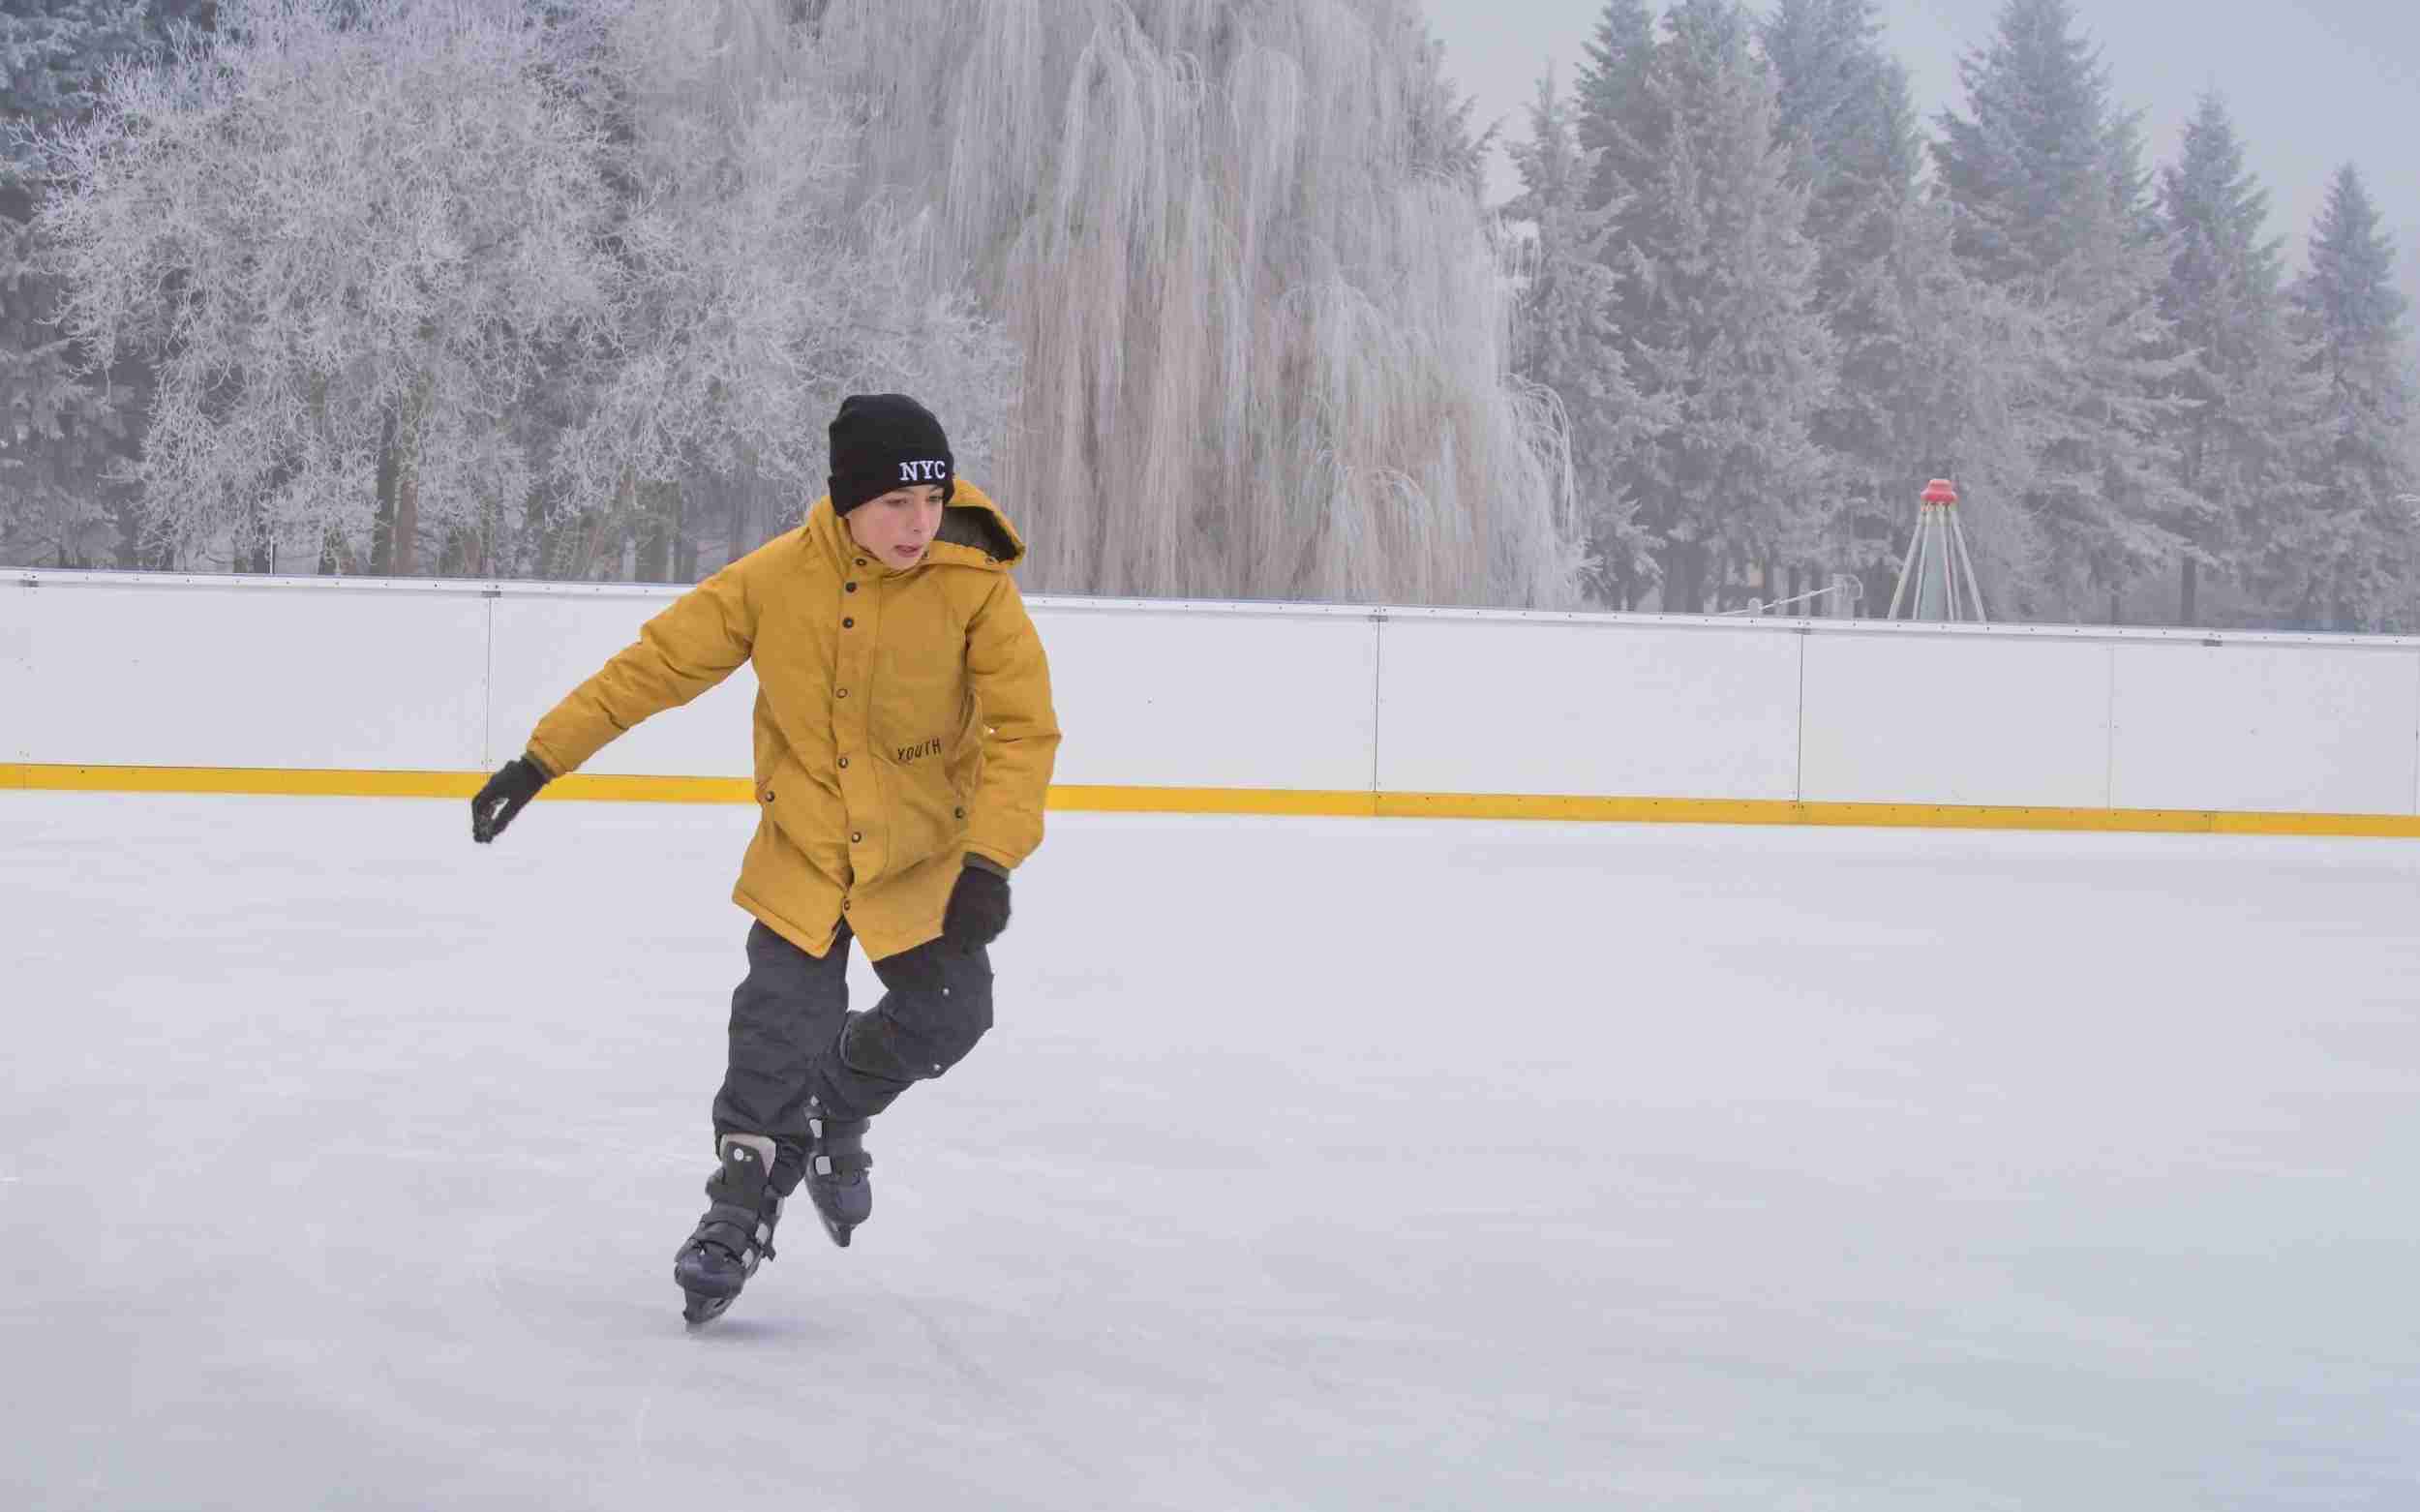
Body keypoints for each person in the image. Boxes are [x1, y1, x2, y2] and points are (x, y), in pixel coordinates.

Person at [468, 394, 1060, 1322]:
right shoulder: (775, 580)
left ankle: (836, 1103)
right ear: (848, 501)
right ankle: (737, 1207)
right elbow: (654, 667)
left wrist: (989, 859)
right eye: (896, 505)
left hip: (918, 857)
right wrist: (541, 757)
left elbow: (1023, 733)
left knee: (953, 1014)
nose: (919, 523)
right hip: (808, 853)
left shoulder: (974, 586)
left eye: (932, 501)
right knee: (775, 1030)